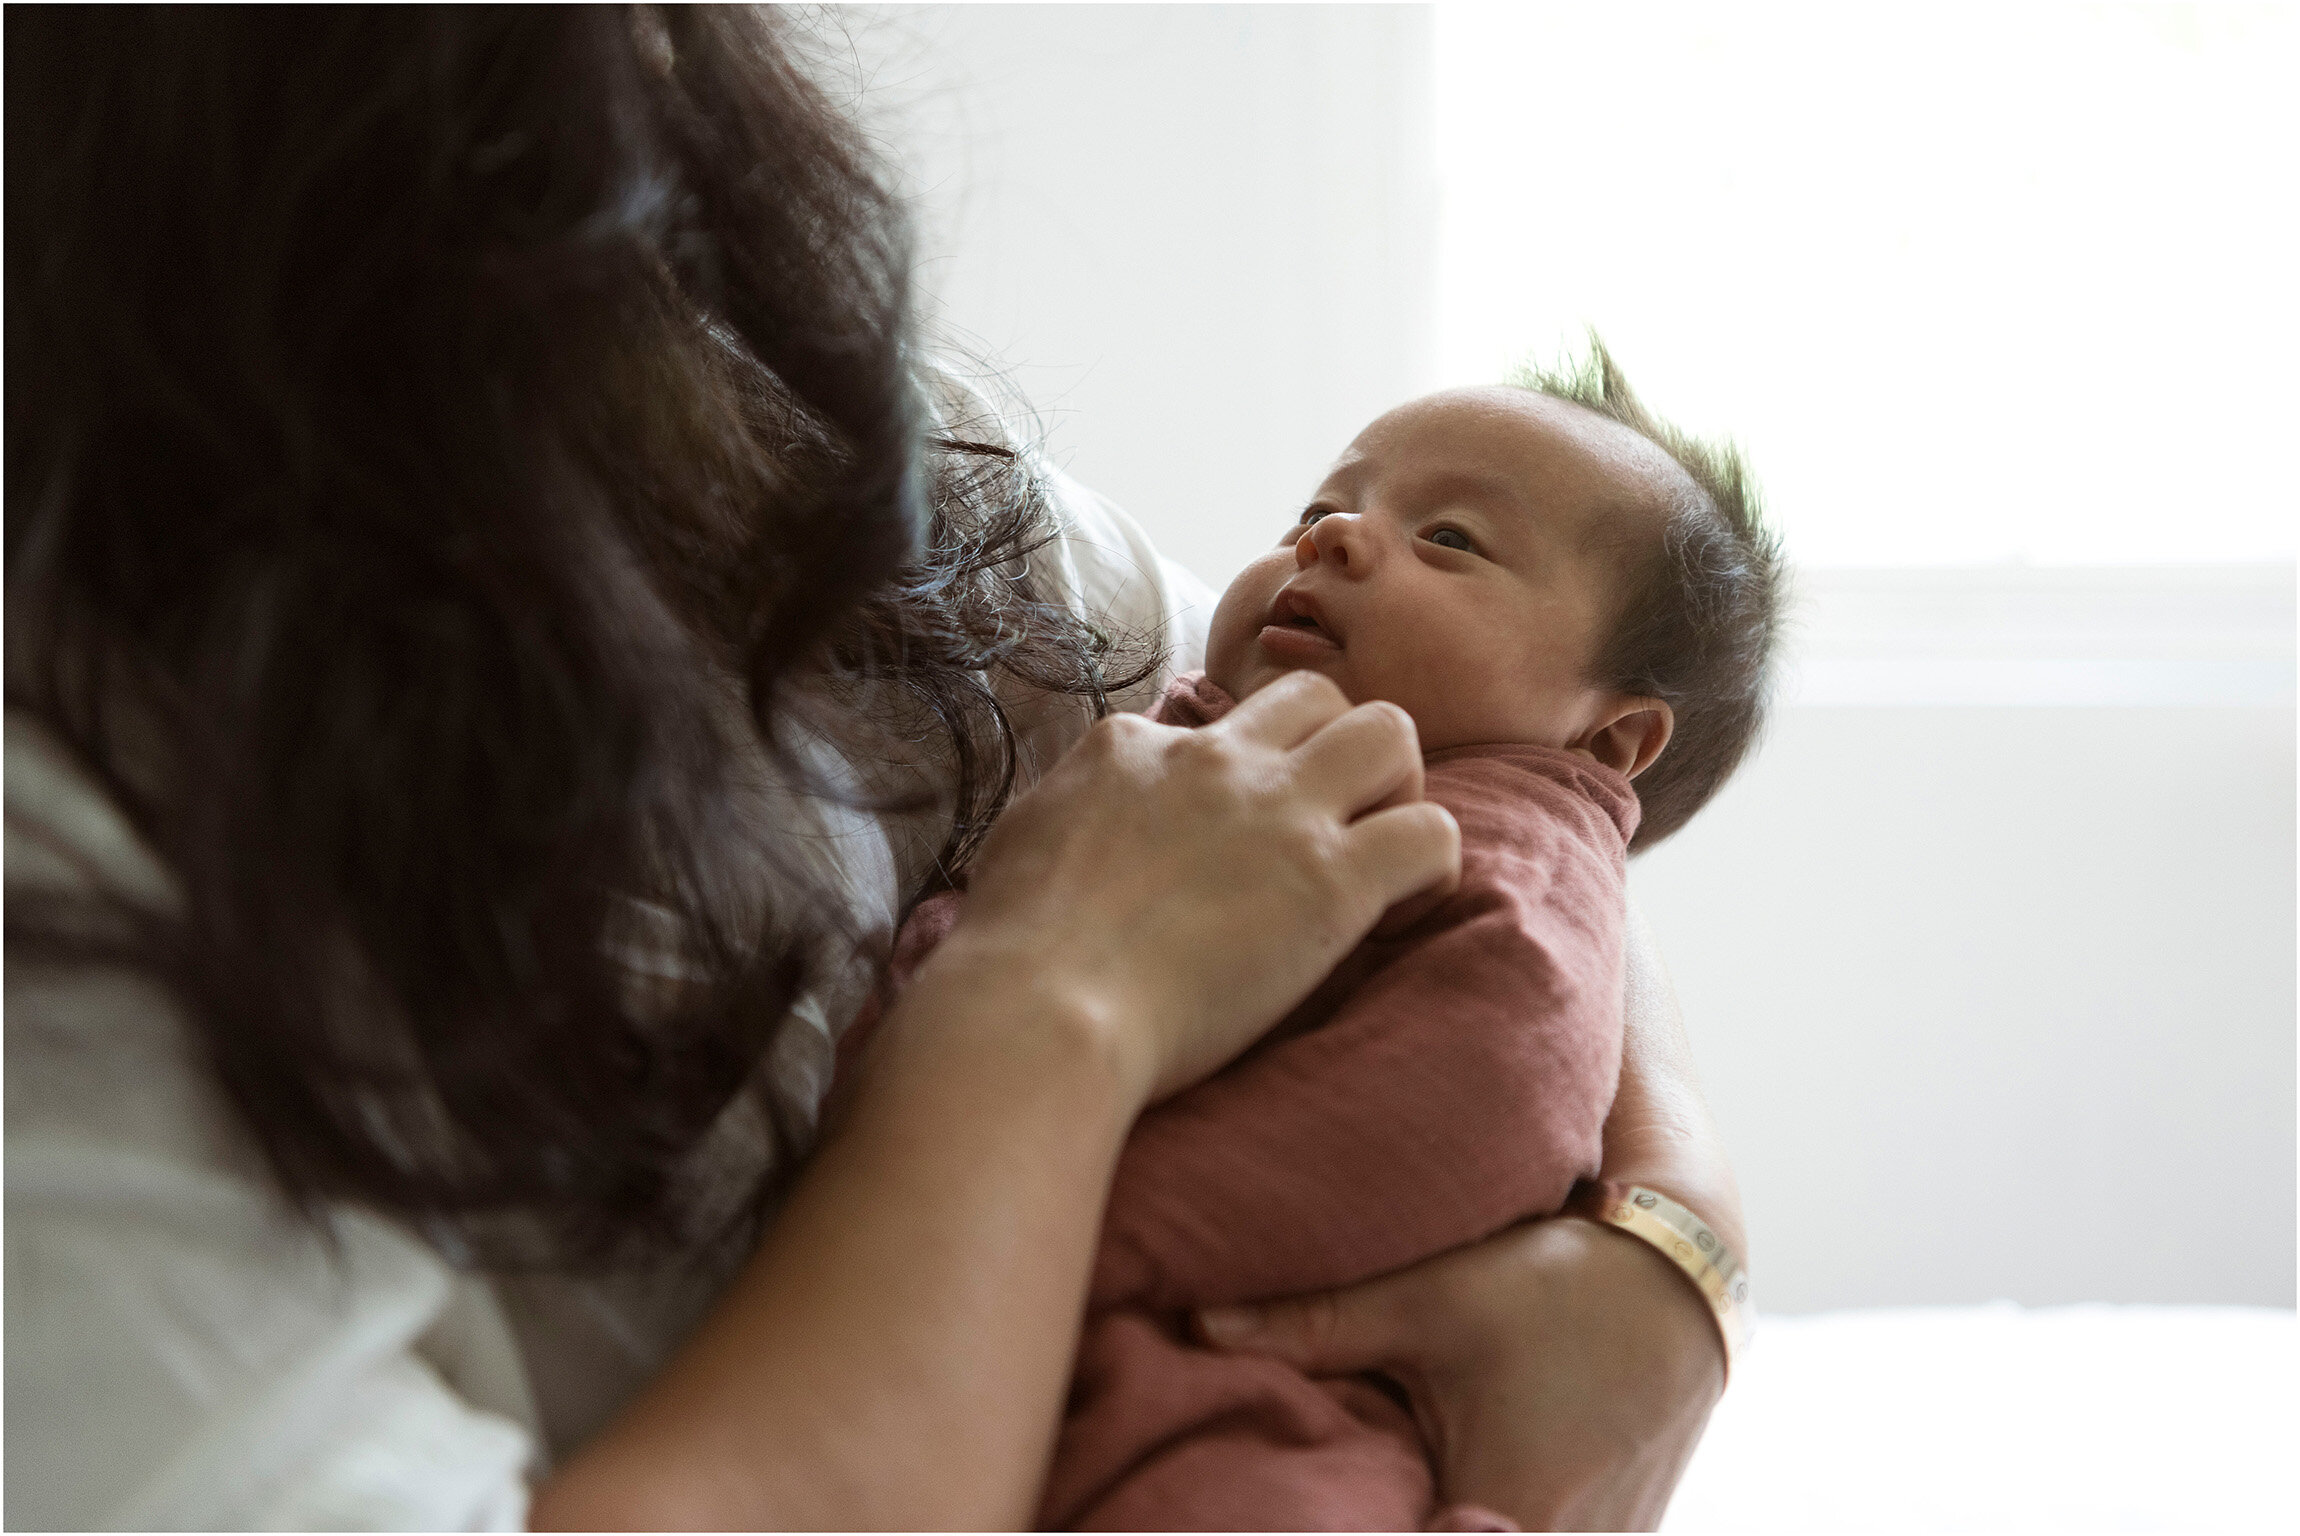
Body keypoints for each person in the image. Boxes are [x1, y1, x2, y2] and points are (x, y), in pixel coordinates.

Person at [3, 10, 1748, 1530]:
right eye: (1326, 511)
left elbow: (1473, 786)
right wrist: (1046, 1014)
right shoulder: (64, 839)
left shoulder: (764, 450)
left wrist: (1675, 1256)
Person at [849, 373, 1781, 1529]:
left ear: (1609, 735)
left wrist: (1073, 1222)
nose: (1332, 537)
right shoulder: (1205, 739)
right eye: (1315, 512)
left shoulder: (1501, 844)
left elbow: (1472, 1098)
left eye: (1449, 538)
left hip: (1271, 1389)